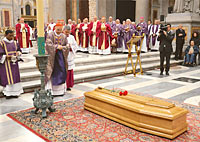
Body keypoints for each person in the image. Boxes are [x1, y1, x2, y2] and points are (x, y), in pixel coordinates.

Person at [45, 23, 69, 96]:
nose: (59, 31)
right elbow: (48, 44)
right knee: (52, 71)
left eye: (60, 30)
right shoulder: (50, 34)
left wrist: (65, 47)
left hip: (61, 57)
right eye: (58, 29)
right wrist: (56, 47)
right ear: (55, 28)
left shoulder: (63, 36)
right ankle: (51, 90)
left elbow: (66, 45)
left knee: (61, 71)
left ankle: (60, 91)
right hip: (52, 57)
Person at [0, 30, 23, 99]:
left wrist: (18, 53)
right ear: (5, 35)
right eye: (10, 35)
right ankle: (7, 93)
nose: (12, 37)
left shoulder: (15, 43)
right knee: (7, 77)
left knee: (15, 76)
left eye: (13, 35)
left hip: (14, 62)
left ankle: (16, 92)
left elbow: (19, 50)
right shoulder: (1, 43)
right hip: (6, 64)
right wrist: (7, 57)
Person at [63, 25, 78, 91]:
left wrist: (71, 47)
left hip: (70, 55)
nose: (67, 34)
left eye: (68, 32)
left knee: (69, 71)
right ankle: (63, 86)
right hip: (63, 56)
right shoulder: (61, 37)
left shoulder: (72, 37)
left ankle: (68, 85)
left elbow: (75, 45)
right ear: (63, 31)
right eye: (66, 32)